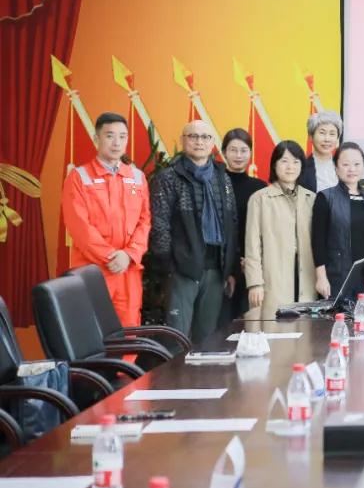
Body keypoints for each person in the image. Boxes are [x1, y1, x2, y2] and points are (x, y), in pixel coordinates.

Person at [149, 120, 239, 343]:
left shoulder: (222, 178)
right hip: (183, 270)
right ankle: (173, 370)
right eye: (193, 136)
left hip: (215, 269)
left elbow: (232, 223)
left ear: (212, 143)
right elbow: (159, 225)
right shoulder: (168, 178)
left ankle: (203, 369)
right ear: (183, 141)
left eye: (205, 137)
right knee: (176, 338)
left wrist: (229, 268)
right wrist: (170, 266)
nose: (199, 142)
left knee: (207, 338)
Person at [60, 112, 151, 327]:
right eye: (110, 136)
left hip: (127, 270)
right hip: (92, 269)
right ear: (96, 139)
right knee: (90, 329)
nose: (117, 143)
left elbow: (144, 221)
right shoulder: (79, 177)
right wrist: (110, 257)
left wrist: (129, 255)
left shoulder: (137, 177)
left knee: (128, 330)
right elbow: (79, 226)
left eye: (122, 136)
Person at [244, 140, 317, 318]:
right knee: (275, 328)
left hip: (306, 279)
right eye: (284, 161)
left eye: (295, 162)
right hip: (273, 279)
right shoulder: (260, 199)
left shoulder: (312, 199)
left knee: (306, 330)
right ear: (274, 165)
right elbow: (252, 244)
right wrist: (255, 283)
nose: (290, 167)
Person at [311, 142, 364, 304]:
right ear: (336, 168)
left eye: (357, 164)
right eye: (346, 164)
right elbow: (317, 241)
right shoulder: (325, 198)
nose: (352, 169)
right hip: (337, 276)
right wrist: (321, 277)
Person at [220, 128, 267, 321]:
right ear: (224, 152)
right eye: (233, 150)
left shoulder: (260, 187)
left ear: (250, 153)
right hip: (222, 264)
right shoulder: (215, 184)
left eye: (243, 150)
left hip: (251, 264)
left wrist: (251, 259)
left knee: (250, 321)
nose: (238, 155)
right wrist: (230, 265)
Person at [299, 110, 343, 194]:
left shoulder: (343, 166)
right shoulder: (301, 169)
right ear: (311, 137)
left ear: (338, 138)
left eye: (332, 134)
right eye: (322, 133)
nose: (327, 139)